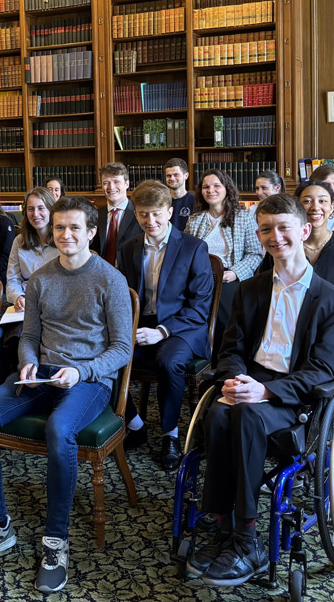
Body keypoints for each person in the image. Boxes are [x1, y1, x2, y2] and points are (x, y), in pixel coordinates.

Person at [0, 196, 132, 593]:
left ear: (91, 232)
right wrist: (27, 362)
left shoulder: (110, 279)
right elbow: (30, 336)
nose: (65, 235)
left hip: (89, 380)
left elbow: (122, 349)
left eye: (74, 228)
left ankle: (56, 539)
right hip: (42, 374)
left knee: (59, 430)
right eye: (58, 228)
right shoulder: (41, 278)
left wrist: (81, 370)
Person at [185, 193, 334, 587]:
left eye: (283, 228)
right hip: (249, 383)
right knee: (218, 411)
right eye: (266, 229)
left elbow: (321, 371)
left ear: (305, 230)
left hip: (291, 398)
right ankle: (224, 526)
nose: (275, 236)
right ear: (258, 235)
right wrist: (234, 377)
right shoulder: (251, 289)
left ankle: (247, 541)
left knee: (241, 414)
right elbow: (231, 348)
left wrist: (264, 391)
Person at [118, 181, 214, 468]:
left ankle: (170, 435)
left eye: (157, 213)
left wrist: (161, 331)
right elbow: (123, 296)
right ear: (135, 214)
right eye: (144, 214)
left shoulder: (193, 247)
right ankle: (135, 425)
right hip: (141, 322)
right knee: (106, 356)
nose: (151, 221)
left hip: (183, 326)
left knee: (169, 361)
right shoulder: (128, 248)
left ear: (170, 212)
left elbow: (200, 305)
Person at [259, 181, 334, 357]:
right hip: (284, 333)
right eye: (307, 201)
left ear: (333, 206)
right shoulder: (282, 247)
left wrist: (324, 335)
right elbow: (266, 297)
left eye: (322, 201)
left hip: (332, 336)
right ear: (297, 207)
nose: (315, 207)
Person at [186, 170, 262, 360]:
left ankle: (225, 359)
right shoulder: (194, 220)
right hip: (198, 278)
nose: (210, 190)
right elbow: (184, 253)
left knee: (224, 308)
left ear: (227, 189)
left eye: (216, 186)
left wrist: (235, 273)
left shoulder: (243, 218)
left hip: (230, 276)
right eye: (205, 187)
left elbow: (254, 253)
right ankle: (197, 356)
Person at [0, 188, 60, 380]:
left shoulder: (62, 240)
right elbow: (13, 279)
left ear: (51, 210)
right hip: (22, 305)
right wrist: (18, 297)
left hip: (52, 306)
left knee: (21, 335)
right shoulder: (19, 241)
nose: (35, 214)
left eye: (41, 208)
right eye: (30, 209)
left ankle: (23, 375)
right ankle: (0, 384)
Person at [89, 162, 142, 267]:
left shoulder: (139, 214)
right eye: (106, 183)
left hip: (129, 278)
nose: (111, 187)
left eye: (116, 181)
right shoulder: (95, 215)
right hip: (100, 274)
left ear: (127, 184)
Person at [164, 158, 195, 231]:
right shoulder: (161, 200)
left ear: (186, 176)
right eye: (168, 176)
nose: (172, 178)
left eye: (176, 175)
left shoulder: (195, 201)